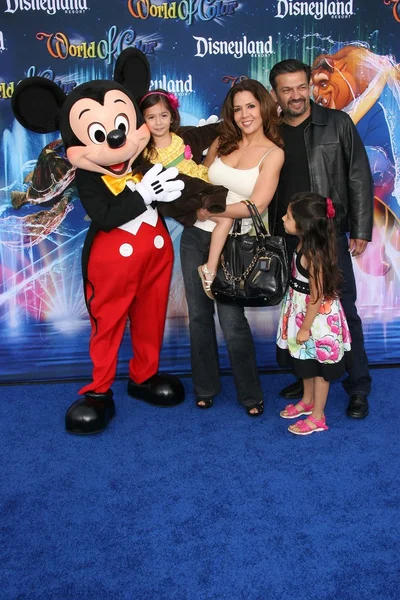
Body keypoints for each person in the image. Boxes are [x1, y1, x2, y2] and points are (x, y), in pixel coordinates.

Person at [269, 59, 373, 419]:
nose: (296, 96)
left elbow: (358, 176)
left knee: (342, 309)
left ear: (309, 85)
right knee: (300, 309)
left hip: (329, 235)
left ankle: (357, 386)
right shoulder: (272, 131)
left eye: (301, 87)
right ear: (276, 93)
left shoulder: (338, 122)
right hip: (289, 237)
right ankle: (307, 378)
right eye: (287, 90)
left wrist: (360, 228)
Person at [180, 78, 284, 414]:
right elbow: (200, 182)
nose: (244, 114)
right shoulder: (221, 143)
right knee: (198, 317)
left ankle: (251, 394)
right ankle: (205, 387)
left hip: (235, 244)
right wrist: (195, 207)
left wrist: (214, 209)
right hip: (195, 237)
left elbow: (258, 205)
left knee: (232, 321)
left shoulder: (274, 153)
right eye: (237, 109)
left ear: (263, 108)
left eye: (250, 106)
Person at [139, 88, 232, 299]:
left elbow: (214, 129)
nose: (159, 122)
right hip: (180, 199)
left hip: (200, 187)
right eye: (151, 117)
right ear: (143, 120)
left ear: (172, 116)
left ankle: (211, 266)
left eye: (163, 115)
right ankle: (210, 268)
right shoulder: (144, 153)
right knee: (224, 219)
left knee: (224, 215)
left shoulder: (184, 137)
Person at [277, 192, 352, 435]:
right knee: (306, 363)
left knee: (320, 368)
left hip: (316, 320)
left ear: (305, 225)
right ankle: (307, 401)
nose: (282, 218)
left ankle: (318, 415)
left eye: (288, 217)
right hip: (301, 312)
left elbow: (317, 296)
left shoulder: (313, 256)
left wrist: (306, 327)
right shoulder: (301, 245)